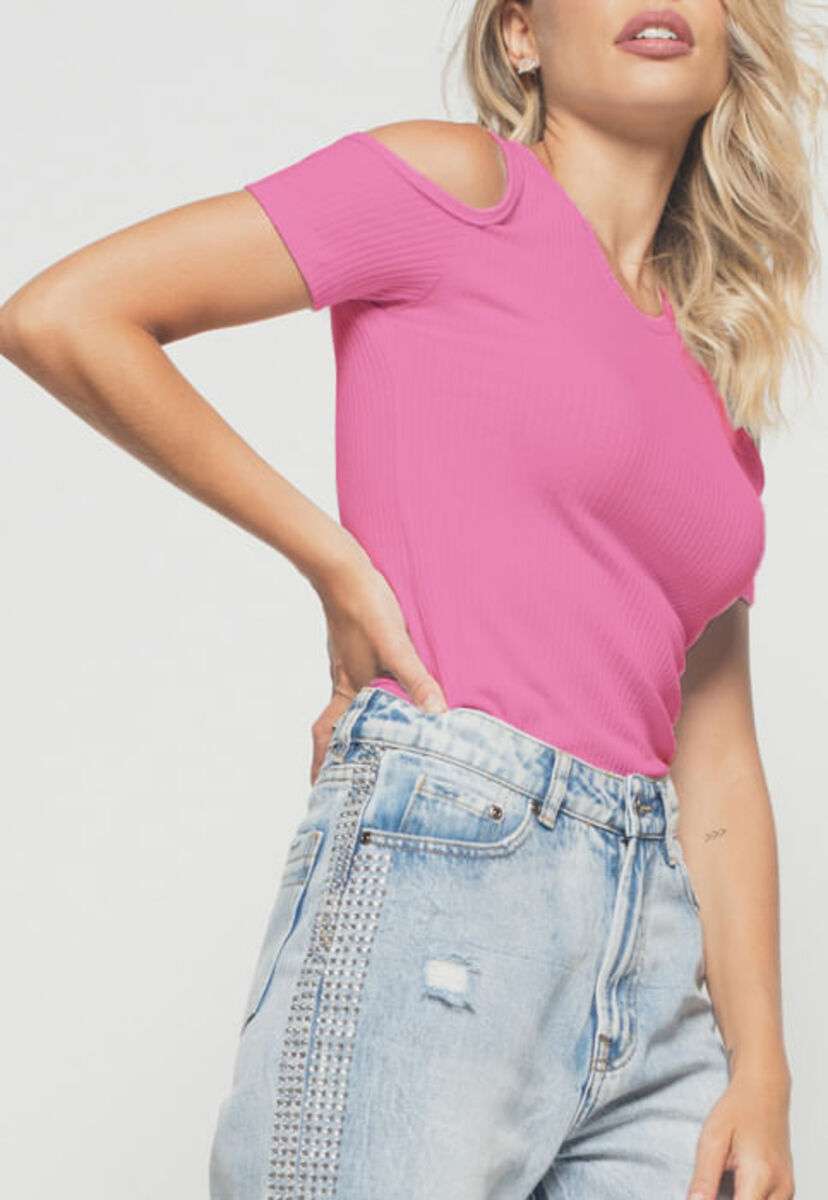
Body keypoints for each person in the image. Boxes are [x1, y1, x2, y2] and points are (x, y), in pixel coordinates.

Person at [2, 2, 825, 1198]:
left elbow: (718, 749)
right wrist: (333, 562)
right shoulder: (457, 188)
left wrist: (763, 1072)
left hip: (654, 964)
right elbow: (64, 315)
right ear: (521, 37)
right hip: (452, 860)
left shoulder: (712, 377)